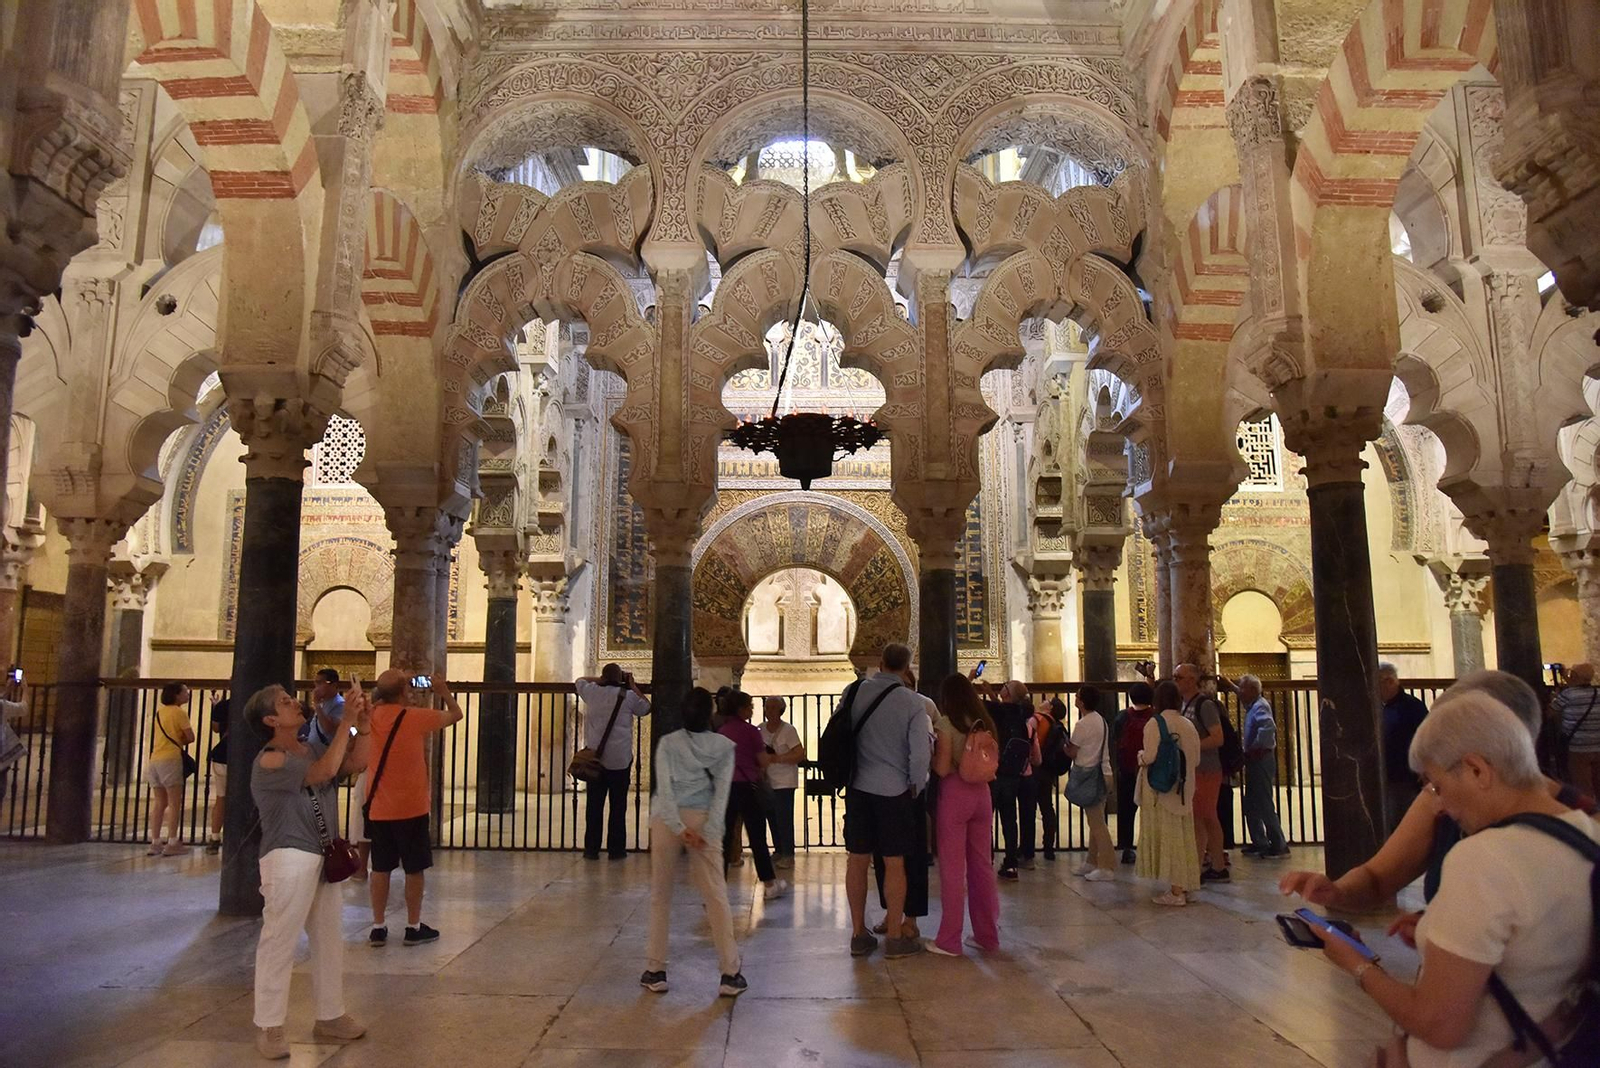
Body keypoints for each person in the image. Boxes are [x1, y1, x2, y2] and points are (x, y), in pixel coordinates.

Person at [1315, 690, 1598, 1068]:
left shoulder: (1484, 857)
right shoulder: (1588, 832)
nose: (1441, 805)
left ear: (1477, 769)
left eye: (1436, 785)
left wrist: (1355, 963)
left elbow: (1440, 1024)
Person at [1281, 670, 1597, 944]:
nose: (1436, 794)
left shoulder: (1584, 823)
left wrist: (1359, 966)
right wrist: (1336, 892)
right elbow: (1378, 877)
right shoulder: (1439, 799)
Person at [245, 682, 372, 1059]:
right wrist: (345, 721)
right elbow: (325, 770)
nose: (294, 703)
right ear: (271, 720)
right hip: (288, 857)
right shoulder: (269, 759)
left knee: (329, 938)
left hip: (323, 854)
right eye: (284, 703)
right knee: (279, 941)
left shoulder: (311, 746)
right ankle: (269, 1026)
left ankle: (330, 1014)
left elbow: (354, 762)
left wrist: (361, 726)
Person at [641, 687, 748, 999]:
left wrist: (677, 826)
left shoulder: (668, 743)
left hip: (666, 821)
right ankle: (730, 973)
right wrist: (710, 829)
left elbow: (665, 788)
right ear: (711, 714)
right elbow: (722, 792)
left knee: (661, 895)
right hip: (703, 820)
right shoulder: (724, 747)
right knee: (715, 895)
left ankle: (656, 969)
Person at [843, 643, 931, 959]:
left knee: (857, 858)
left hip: (857, 788)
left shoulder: (852, 693)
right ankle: (894, 936)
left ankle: (857, 934)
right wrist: (915, 787)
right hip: (894, 792)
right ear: (906, 668)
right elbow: (920, 755)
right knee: (895, 862)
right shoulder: (912, 703)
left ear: (880, 663)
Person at [365, 670, 464, 947]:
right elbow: (456, 715)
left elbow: (353, 728)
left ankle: (378, 926)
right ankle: (413, 925)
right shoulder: (414, 717)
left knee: (381, 868)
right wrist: (442, 690)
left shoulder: (371, 717)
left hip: (379, 808)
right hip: (411, 807)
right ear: (404, 692)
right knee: (414, 869)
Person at [927, 674, 1001, 956]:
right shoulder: (984, 721)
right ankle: (987, 935)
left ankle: (949, 939)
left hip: (956, 795)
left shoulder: (946, 724)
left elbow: (943, 769)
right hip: (982, 794)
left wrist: (932, 758)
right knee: (982, 866)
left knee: (953, 869)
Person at [873, 664, 935, 941]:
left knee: (912, 857)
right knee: (886, 857)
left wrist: (916, 784)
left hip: (911, 790)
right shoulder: (880, 702)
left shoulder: (923, 705)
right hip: (885, 789)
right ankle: (891, 913)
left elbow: (932, 746)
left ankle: (910, 919)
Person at [574, 663, 651, 861]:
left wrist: (598, 680)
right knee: (618, 806)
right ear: (620, 679)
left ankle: (591, 849)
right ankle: (616, 850)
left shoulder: (591, 692)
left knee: (594, 806)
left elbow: (579, 681)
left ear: (602, 677)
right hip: (620, 760)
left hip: (595, 761)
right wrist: (632, 685)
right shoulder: (628, 696)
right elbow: (646, 708)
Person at [1137, 680, 1203, 906]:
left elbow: (1150, 757)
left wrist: (1140, 757)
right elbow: (1196, 759)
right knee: (1184, 837)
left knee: (1169, 837)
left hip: (1161, 790)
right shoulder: (1187, 723)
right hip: (1184, 787)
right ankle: (1186, 884)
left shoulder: (1155, 724)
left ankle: (1176, 892)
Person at [718, 690, 788, 900]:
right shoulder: (750, 731)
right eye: (749, 706)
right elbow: (763, 761)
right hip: (748, 788)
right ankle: (769, 883)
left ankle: (718, 887)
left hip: (727, 788)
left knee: (725, 837)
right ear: (740, 709)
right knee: (757, 837)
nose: (752, 709)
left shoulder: (722, 731)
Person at [980, 677, 1040, 880]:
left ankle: (985, 859)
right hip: (1013, 775)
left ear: (1007, 693)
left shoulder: (998, 712)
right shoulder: (1021, 715)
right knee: (1009, 819)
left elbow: (971, 701)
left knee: (986, 818)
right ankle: (1011, 862)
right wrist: (991, 694)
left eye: (1005, 686)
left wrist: (971, 681)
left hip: (994, 773)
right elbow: (1002, 709)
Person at [1174, 663, 1228, 882]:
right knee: (1198, 818)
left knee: (1207, 816)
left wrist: (1190, 746)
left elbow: (1217, 738)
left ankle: (1218, 865)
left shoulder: (1204, 705)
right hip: (1194, 769)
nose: (1175, 680)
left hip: (1207, 769)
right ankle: (1199, 865)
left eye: (1179, 677)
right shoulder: (1185, 705)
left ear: (1191, 680)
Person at [1226, 674, 1289, 859]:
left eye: (1243, 688)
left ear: (1252, 690)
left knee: (1263, 802)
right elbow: (1242, 694)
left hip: (1261, 759)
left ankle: (1278, 844)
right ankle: (1260, 842)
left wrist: (1257, 747)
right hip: (1254, 759)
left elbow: (1268, 727)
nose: (1240, 692)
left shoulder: (1260, 706)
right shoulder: (1253, 704)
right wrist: (1230, 686)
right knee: (1252, 803)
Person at [1066, 685, 1116, 881]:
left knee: (1096, 824)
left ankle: (1107, 865)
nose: (1075, 698)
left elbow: (1072, 751)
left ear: (1082, 701)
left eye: (1078, 696)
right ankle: (1091, 861)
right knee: (1096, 820)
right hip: (1105, 773)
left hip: (1090, 776)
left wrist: (1064, 746)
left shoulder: (1083, 724)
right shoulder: (1100, 720)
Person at [145, 682, 194, 856]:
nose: (188, 694)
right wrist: (181, 740)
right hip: (171, 759)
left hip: (155, 759)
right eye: (185, 692)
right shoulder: (179, 713)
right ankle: (172, 842)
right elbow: (190, 737)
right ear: (176, 695)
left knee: (159, 803)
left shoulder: (160, 713)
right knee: (174, 803)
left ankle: (155, 842)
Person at [1380, 661, 1429, 832]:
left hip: (1405, 777)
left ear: (1389, 682)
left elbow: (1425, 740)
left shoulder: (1412, 707)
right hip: (1387, 776)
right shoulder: (1380, 708)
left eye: (1378, 683)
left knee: (1403, 824)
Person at [1112, 682, 1155, 864]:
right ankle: (1151, 847)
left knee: (1126, 810)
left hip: (1127, 770)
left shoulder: (1123, 716)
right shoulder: (1156, 717)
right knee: (1152, 810)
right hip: (1151, 769)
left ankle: (1127, 848)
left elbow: (1115, 741)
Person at [760, 696, 804, 869]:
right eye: (767, 707)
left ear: (780, 710)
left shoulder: (788, 730)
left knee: (784, 818)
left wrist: (778, 758)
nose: (769, 710)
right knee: (771, 816)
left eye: (772, 707)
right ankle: (778, 849)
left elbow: (800, 754)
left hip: (785, 781)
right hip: (768, 780)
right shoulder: (760, 729)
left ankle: (788, 853)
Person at [1028, 697, 1067, 862]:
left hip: (1034, 768)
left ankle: (1027, 847)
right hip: (1048, 771)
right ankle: (1049, 846)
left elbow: (1028, 740)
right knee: (1047, 808)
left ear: (1049, 708)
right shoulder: (1057, 726)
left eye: (1048, 701)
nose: (1043, 700)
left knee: (1029, 809)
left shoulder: (1037, 719)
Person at [1554, 662, 1600, 798]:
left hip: (1579, 748)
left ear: (1574, 676)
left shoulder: (1568, 694)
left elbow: (1551, 712)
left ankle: (1590, 815)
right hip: (1598, 745)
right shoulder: (1598, 692)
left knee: (1583, 786)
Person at [204, 698, 229, 855]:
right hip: (244, 757)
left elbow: (215, 728)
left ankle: (214, 838)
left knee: (221, 798)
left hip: (222, 754)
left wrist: (216, 708)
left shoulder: (223, 705)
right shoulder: (257, 704)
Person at [302, 668, 345, 746]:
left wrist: (317, 705)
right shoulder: (323, 703)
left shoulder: (340, 704)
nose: (316, 687)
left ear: (333, 685)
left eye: (320, 683)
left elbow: (329, 728)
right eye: (315, 683)